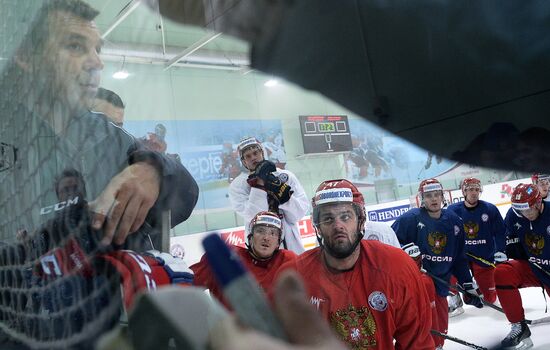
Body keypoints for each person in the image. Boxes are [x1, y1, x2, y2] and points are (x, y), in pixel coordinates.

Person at [0, 0, 198, 347]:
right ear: (26, 58)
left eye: (97, 48)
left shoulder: (109, 137)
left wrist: (153, 171)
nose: (97, 61)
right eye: (75, 46)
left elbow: (185, 191)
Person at [277, 179, 434, 349]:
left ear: (360, 220)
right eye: (328, 219)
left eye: (345, 216)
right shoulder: (295, 277)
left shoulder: (397, 267)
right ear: (318, 227)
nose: (338, 226)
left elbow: (418, 344)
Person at [391, 178, 483, 349]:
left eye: (437, 195)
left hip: (441, 283)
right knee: (421, 332)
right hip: (417, 286)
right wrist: (404, 249)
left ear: (443, 196)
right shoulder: (409, 219)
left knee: (440, 334)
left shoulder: (454, 220)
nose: (433, 199)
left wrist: (467, 283)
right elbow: (389, 243)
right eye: (429, 196)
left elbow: (459, 258)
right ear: (422, 198)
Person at [191, 211, 297, 308]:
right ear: (250, 237)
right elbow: (186, 285)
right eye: (260, 231)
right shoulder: (226, 257)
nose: (266, 237)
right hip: (228, 327)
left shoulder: (288, 260)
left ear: (278, 242)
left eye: (273, 233)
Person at [229, 137, 308, 254]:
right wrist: (259, 185)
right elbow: (253, 216)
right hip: (260, 250)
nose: (253, 158)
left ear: (262, 153)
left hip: (291, 247)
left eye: (255, 153)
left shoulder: (285, 176)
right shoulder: (238, 185)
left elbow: (299, 214)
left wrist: (286, 199)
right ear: (244, 161)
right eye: (248, 156)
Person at [495, 183, 550, 349]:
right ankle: (519, 326)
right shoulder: (515, 216)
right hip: (533, 268)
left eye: (528, 210)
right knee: (502, 272)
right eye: (521, 211)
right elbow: (506, 238)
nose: (525, 215)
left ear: (538, 203)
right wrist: (504, 250)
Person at [447, 177, 506, 315]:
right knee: (447, 269)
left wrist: (500, 252)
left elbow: (500, 233)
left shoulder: (490, 209)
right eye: (470, 189)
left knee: (490, 300)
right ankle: (455, 301)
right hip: (462, 258)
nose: (474, 193)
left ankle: (478, 289)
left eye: (476, 189)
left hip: (484, 257)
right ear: (464, 191)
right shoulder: (452, 210)